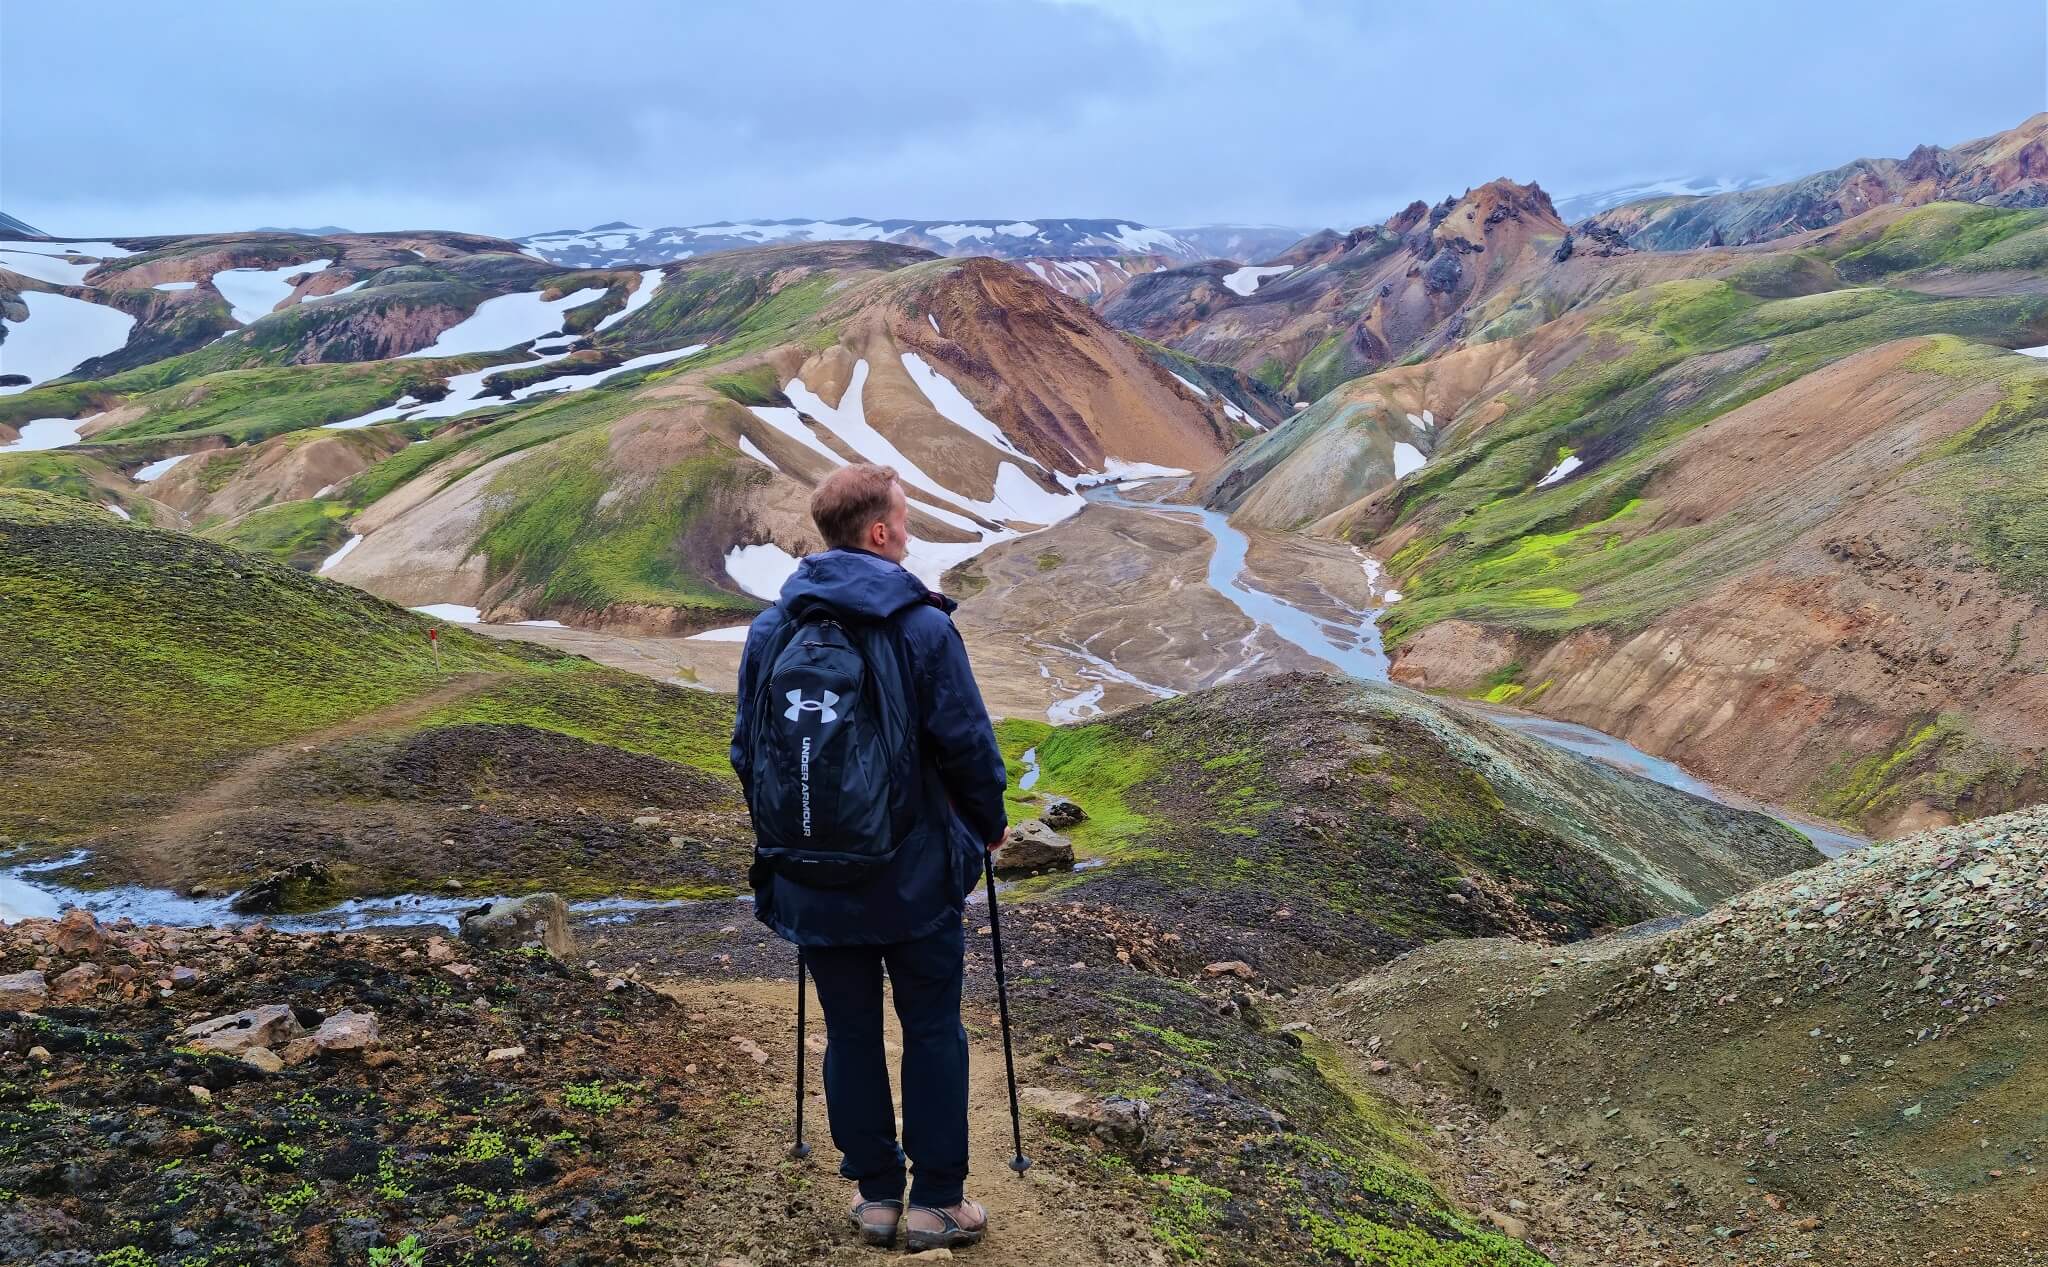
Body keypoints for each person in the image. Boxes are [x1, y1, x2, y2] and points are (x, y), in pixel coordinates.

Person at [729, 462, 1009, 1251]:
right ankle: (938, 1203)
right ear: (879, 532)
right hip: (913, 876)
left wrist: (797, 837)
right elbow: (968, 746)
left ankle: (878, 1196)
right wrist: (986, 826)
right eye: (906, 518)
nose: (910, 529)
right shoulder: (922, 626)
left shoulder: (769, 629)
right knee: (930, 1027)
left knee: (849, 1031)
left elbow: (748, 751)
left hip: (811, 875)